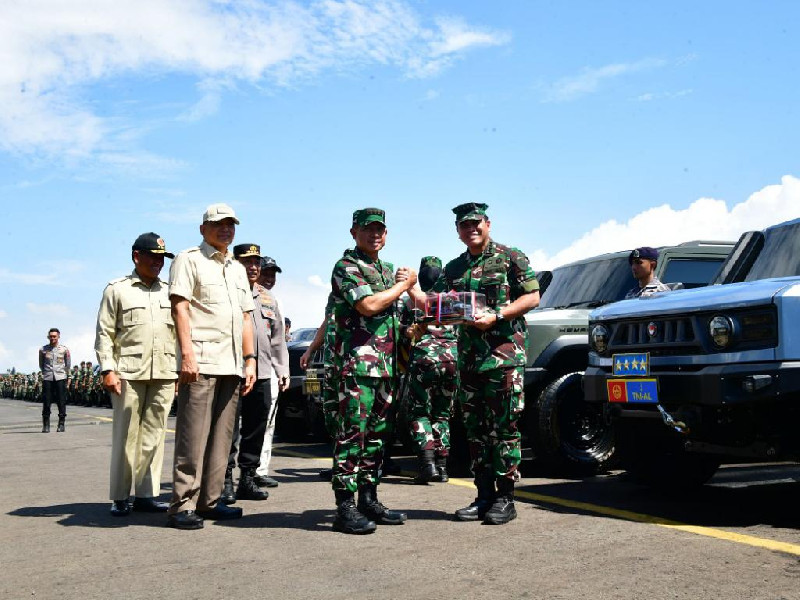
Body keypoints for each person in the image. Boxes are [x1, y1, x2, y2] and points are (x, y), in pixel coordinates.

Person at [418, 203, 540, 525]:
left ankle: (505, 497)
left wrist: (498, 315)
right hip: (469, 359)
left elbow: (532, 297)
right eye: (463, 225)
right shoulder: (454, 268)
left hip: (503, 357)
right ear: (457, 231)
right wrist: (410, 294)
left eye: (475, 223)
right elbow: (438, 305)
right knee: (475, 431)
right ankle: (483, 494)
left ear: (487, 223)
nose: (470, 229)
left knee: (504, 429)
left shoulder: (510, 257)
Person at [167, 203, 257, 530]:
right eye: (219, 224)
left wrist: (250, 361)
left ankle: (210, 500)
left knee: (222, 438)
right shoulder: (188, 260)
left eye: (231, 224)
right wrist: (186, 354)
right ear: (203, 228)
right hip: (201, 360)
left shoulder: (235, 268)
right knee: (193, 438)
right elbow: (180, 308)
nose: (226, 230)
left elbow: (246, 317)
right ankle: (181, 505)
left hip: (232, 363)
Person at [327, 207, 417, 535]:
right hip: (356, 366)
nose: (375, 234)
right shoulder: (347, 266)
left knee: (377, 438)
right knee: (352, 434)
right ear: (354, 232)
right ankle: (344, 506)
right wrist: (404, 285)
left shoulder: (386, 271)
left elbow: (390, 316)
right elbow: (368, 305)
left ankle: (369, 498)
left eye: (380, 229)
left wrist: (411, 329)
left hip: (386, 366)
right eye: (368, 229)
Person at [95, 232, 178, 517]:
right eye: (153, 257)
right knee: (126, 436)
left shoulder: (170, 290)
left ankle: (146, 494)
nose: (158, 263)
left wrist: (178, 372)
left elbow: (179, 334)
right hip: (127, 373)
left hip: (165, 372)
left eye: (162, 259)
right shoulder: (117, 289)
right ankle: (120, 496)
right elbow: (105, 333)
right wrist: (108, 368)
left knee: (154, 436)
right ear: (136, 256)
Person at [220, 244, 289, 504]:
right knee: (228, 430)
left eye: (256, 262)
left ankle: (247, 479)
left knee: (256, 428)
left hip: (261, 372)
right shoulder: (227, 292)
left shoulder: (268, 298)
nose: (253, 267)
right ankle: (225, 479)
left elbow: (278, 339)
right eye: (247, 262)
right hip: (232, 371)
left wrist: (282, 370)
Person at [401, 257, 458, 484]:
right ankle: (443, 467)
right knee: (443, 414)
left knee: (419, 413)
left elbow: (403, 330)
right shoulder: (453, 301)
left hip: (424, 360)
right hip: (451, 360)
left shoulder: (412, 302)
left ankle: (428, 465)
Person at [253, 255, 289, 488]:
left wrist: (282, 370)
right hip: (244, 368)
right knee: (240, 426)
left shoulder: (273, 300)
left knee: (267, 423)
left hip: (269, 370)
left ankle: (259, 470)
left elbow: (279, 341)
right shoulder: (242, 294)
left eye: (272, 275)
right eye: (265, 273)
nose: (269, 279)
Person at [39, 328, 71, 433]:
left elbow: (68, 364)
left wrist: (67, 377)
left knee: (61, 401)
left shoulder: (64, 349)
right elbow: (41, 364)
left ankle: (61, 424)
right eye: (51, 336)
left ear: (58, 336)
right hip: (48, 377)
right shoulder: (43, 349)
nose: (52, 338)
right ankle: (46, 424)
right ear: (48, 337)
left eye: (54, 336)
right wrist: (46, 373)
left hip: (60, 378)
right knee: (46, 401)